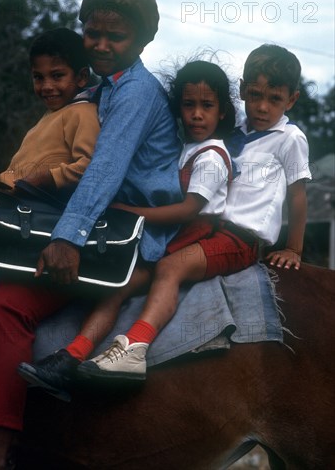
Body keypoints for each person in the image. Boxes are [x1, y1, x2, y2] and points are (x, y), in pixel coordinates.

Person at [0, 0, 182, 470]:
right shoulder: (103, 87)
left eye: (116, 37)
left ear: (145, 40)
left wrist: (67, 238)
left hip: (120, 231)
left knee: (9, 303)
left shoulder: (135, 93)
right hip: (100, 215)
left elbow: (105, 170)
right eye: (93, 34)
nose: (102, 45)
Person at [73, 43, 312, 381]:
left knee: (171, 267)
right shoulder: (237, 131)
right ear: (242, 90)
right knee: (133, 272)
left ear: (291, 100)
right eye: (255, 95)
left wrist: (293, 248)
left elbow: (297, 196)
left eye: (274, 99)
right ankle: (75, 351)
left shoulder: (290, 138)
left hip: (240, 236)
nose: (262, 106)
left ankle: (136, 347)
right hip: (209, 229)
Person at [18, 59, 259, 388]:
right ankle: (71, 356)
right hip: (169, 236)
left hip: (188, 235)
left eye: (207, 106)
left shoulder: (211, 156)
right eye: (189, 105)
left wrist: (129, 213)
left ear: (222, 112)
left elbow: (188, 210)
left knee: (166, 273)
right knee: (116, 289)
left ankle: (135, 347)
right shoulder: (186, 149)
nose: (197, 115)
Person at [0, 26, 102, 469]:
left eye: (58, 76)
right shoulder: (43, 122)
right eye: (39, 77)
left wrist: (42, 181)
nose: (47, 86)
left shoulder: (83, 114)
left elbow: (91, 168)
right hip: (18, 220)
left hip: (52, 237)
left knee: (6, 308)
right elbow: (14, 175)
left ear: (82, 77)